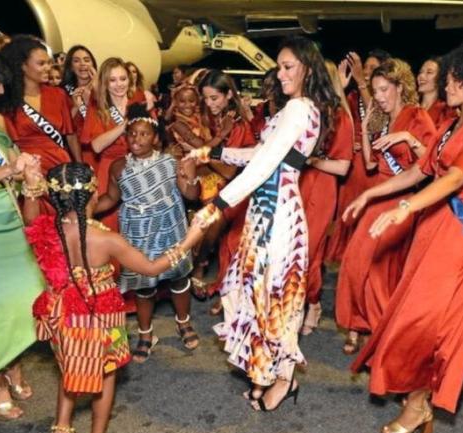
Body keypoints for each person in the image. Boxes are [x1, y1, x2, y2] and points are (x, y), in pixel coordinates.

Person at [346, 40, 463, 433]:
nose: (449, 83)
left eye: (457, 78)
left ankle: (419, 401)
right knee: (412, 313)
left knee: (425, 321)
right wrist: (373, 193)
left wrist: (405, 209)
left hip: (459, 233)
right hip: (433, 225)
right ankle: (415, 395)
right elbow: (423, 170)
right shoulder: (453, 122)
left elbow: (456, 178)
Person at [189, 35, 337, 411]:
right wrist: (214, 151)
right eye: (280, 66)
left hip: (280, 219)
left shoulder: (300, 108)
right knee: (258, 296)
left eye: (289, 67)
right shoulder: (294, 108)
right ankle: (265, 373)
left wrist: (216, 206)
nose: (281, 73)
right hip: (265, 215)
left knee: (277, 300)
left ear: (307, 68)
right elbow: (260, 152)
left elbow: (264, 165)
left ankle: (284, 380)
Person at [21, 161, 204, 433]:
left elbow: (30, 211)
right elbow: (153, 267)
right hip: (101, 318)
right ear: (93, 194)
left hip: (62, 316)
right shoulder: (106, 239)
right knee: (106, 375)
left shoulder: (45, 228)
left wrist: (30, 185)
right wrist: (190, 239)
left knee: (70, 368)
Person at [335, 58, 437, 354]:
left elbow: (431, 162)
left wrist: (409, 137)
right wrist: (366, 130)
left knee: (371, 266)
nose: (378, 97)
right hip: (376, 192)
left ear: (399, 87)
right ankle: (359, 324)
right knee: (359, 265)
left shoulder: (416, 115)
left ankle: (378, 332)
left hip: (401, 198)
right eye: (375, 90)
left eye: (383, 90)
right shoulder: (380, 116)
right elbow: (368, 164)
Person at [95, 103, 201, 361]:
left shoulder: (169, 161)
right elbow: (111, 197)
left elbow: (191, 195)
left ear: (155, 138)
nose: (136, 139)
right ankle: (145, 333)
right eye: (132, 134)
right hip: (138, 230)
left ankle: (183, 322)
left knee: (177, 277)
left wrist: (189, 178)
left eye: (144, 134)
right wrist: (84, 209)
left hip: (170, 225)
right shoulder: (118, 167)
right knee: (143, 285)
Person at [0, 44, 45, 421]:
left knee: (28, 295)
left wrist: (29, 171)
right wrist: (9, 171)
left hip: (8, 214)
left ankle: (12, 362)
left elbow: (12, 157)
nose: (1, 91)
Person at [190, 70, 257, 311]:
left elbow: (230, 172)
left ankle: (201, 265)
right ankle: (199, 263)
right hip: (209, 178)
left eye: (214, 98)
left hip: (237, 186)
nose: (209, 104)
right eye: (206, 99)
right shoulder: (208, 117)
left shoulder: (239, 125)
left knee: (214, 219)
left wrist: (203, 152)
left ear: (229, 95)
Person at [299, 59, 353, 334]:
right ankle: (295, 304)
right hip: (295, 184)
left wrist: (311, 161)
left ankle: (313, 302)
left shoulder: (340, 117)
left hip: (320, 188)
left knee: (309, 251)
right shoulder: (301, 111)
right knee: (291, 250)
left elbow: (342, 167)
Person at [325, 49, 391, 264]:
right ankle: (344, 256)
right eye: (365, 68)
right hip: (352, 164)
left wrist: (362, 82)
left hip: (372, 165)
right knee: (346, 210)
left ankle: (360, 256)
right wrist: (340, 89)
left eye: (372, 68)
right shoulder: (353, 96)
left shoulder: (383, 101)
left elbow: (377, 121)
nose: (365, 71)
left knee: (365, 213)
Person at [0, 36, 81, 175]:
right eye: (41, 63)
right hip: (29, 170)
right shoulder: (6, 100)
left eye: (49, 62)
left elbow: (70, 135)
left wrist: (80, 166)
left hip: (60, 167)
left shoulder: (58, 94)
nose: (48, 68)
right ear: (22, 65)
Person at [80, 57, 146, 231]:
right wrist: (124, 126)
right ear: (105, 83)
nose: (119, 85)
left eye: (123, 79)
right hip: (109, 171)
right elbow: (96, 146)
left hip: (138, 167)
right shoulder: (99, 108)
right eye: (113, 80)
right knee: (110, 224)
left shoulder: (138, 101)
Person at [62, 45, 98, 170]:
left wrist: (96, 88)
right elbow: (63, 128)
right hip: (76, 152)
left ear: (93, 64)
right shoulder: (63, 92)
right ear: (71, 67)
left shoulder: (106, 89)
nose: (83, 64)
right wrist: (76, 107)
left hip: (102, 150)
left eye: (87, 60)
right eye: (76, 61)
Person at [417, 56, 456, 129]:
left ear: (440, 78)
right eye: (420, 72)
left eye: (429, 72)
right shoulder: (411, 107)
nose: (421, 76)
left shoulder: (446, 111)